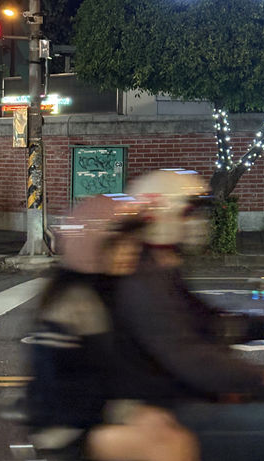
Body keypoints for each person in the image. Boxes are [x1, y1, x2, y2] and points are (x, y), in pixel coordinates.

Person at [112, 169, 264, 461]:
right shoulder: (142, 277)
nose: (198, 223)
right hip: (162, 404)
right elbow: (187, 355)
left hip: (179, 391)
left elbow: (207, 321)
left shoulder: (163, 266)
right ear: (162, 214)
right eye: (189, 213)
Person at [25, 193, 199, 461]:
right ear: (93, 246)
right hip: (68, 429)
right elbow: (77, 384)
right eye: (122, 244)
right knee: (168, 446)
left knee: (175, 431)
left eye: (133, 243)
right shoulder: (75, 302)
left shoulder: (111, 289)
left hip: (102, 412)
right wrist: (130, 411)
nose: (132, 251)